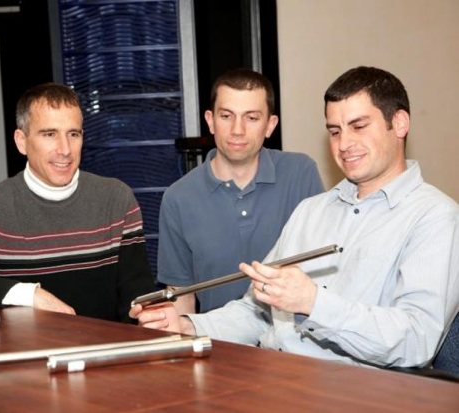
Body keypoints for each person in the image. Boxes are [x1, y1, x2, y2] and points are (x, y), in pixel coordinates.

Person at [131, 66, 459, 368]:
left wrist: (314, 303)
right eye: (334, 130)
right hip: (271, 374)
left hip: (353, 392)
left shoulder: (435, 217)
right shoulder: (312, 210)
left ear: (399, 123)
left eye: (358, 126)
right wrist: (189, 325)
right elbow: (258, 313)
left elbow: (418, 340)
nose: (344, 143)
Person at [0, 83, 155, 323]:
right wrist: (27, 294)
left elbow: (137, 301)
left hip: (105, 356)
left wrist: (152, 317)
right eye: (49, 134)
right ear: (21, 141)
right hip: (30, 358)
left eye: (73, 134)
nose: (65, 150)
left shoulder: (116, 199)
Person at [158, 68, 324, 314]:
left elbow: (324, 271)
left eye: (252, 118)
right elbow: (182, 298)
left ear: (270, 125)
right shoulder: (178, 198)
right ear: (210, 121)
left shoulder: (300, 173)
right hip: (220, 344)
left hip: (293, 343)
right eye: (226, 116)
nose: (237, 130)